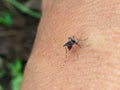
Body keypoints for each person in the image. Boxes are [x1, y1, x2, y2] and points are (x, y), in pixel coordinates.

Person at [21, 0, 120, 90]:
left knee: (74, 41)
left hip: (70, 43)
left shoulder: (74, 41)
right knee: (72, 43)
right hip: (69, 44)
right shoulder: (72, 43)